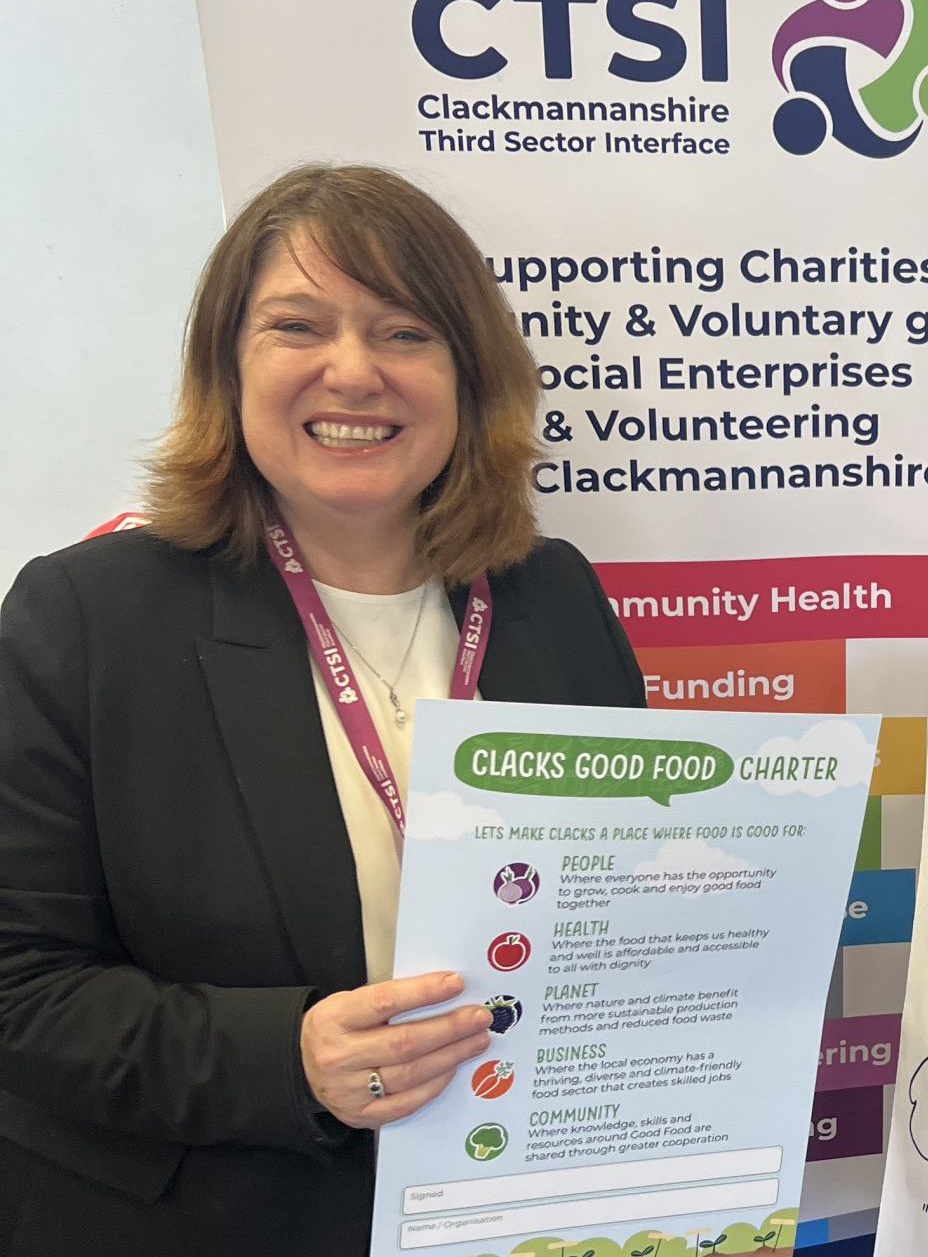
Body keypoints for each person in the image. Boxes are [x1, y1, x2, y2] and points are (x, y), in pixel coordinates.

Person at [0, 165, 649, 1251]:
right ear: (228, 364)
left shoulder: (556, 595)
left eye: (405, 332)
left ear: (468, 376)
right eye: (298, 325)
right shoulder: (86, 615)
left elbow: (621, 909)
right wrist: (284, 1055)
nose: (354, 371)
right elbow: (19, 984)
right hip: (213, 1218)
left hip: (507, 1205)